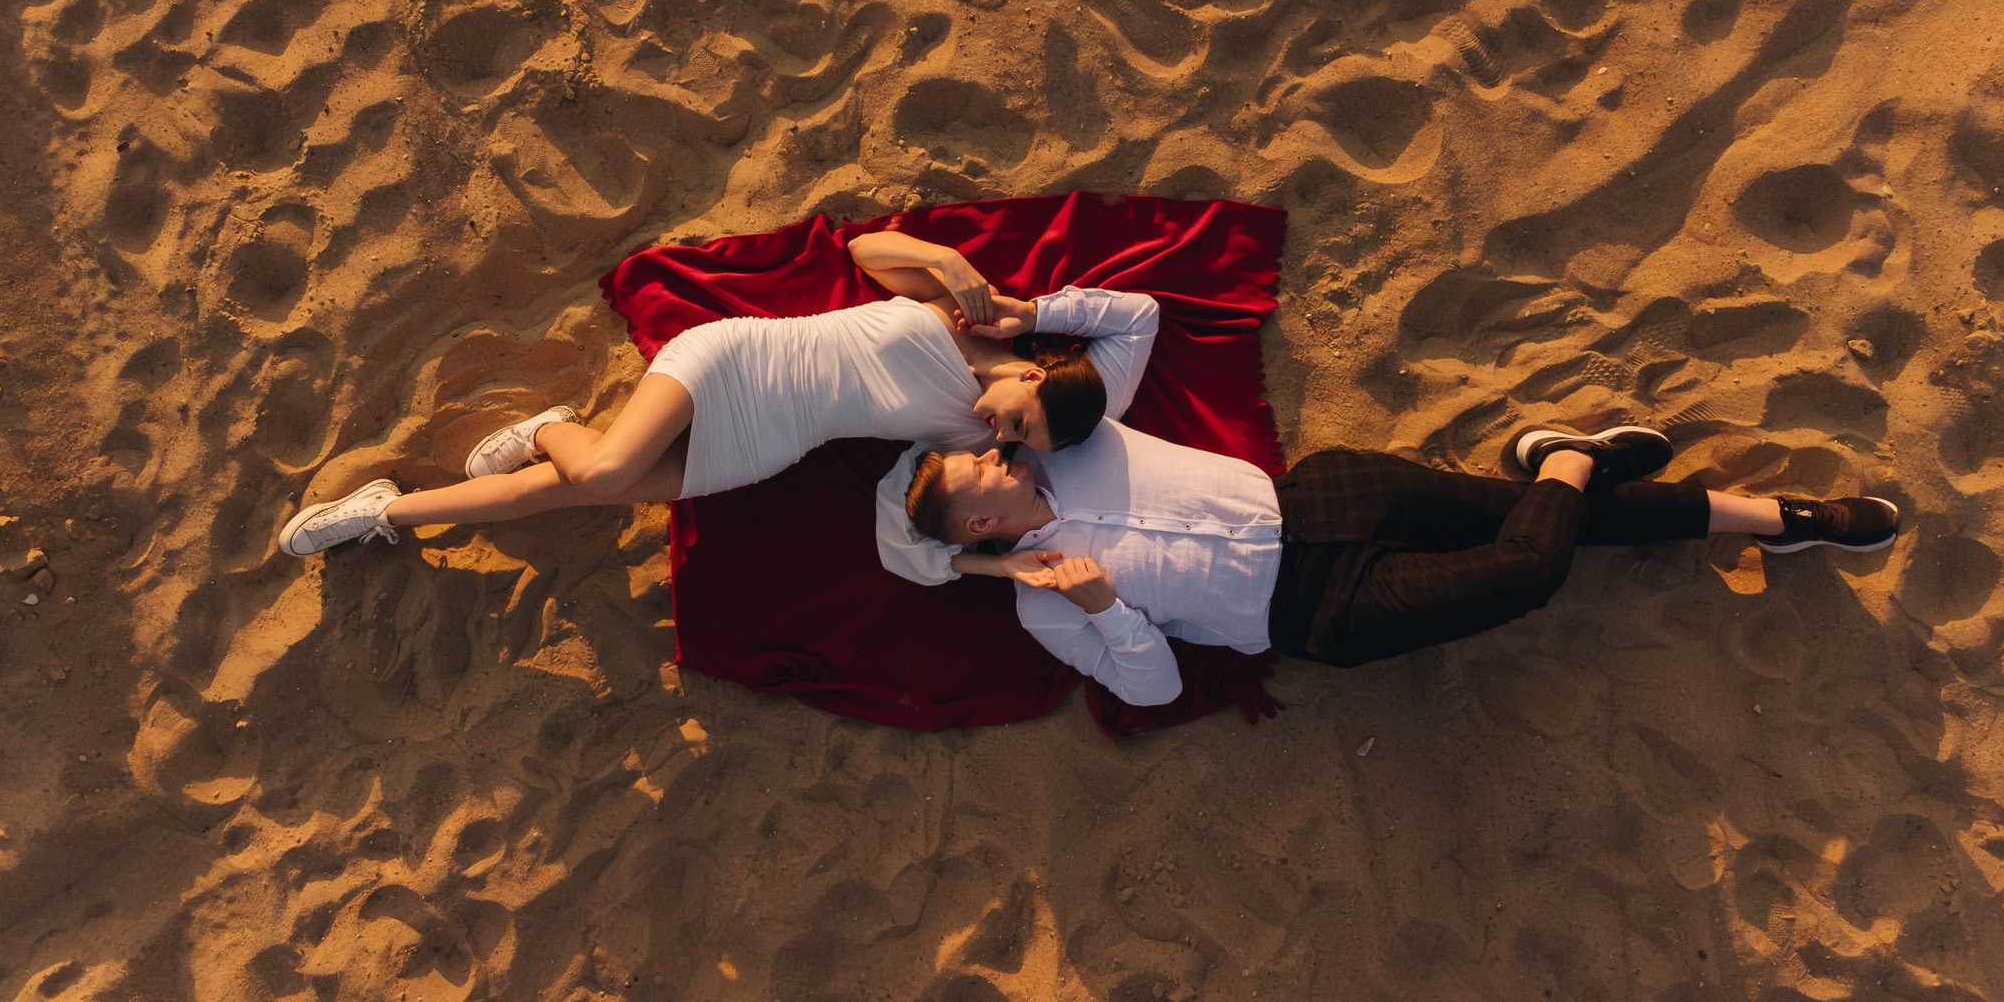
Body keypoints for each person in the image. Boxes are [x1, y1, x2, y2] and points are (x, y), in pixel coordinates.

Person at [878, 422, 1901, 706]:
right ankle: (1567, 457)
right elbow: (1150, 689)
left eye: (977, 450)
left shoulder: (1073, 438)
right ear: (980, 526)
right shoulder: (1044, 606)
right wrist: (1105, 606)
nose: (991, 453)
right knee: (1528, 564)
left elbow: (1127, 324)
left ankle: (1774, 517)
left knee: (1557, 526)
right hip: (1319, 610)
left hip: (1324, 499)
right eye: (977, 473)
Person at [278, 230, 1159, 555]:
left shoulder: (975, 447)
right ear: (1034, 374)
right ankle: (548, 429)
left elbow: (959, 530)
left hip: (772, 443)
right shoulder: (969, 315)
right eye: (1020, 423)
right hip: (742, 362)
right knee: (604, 471)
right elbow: (1139, 318)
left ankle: (385, 511)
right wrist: (956, 266)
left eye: (1018, 444)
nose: (1003, 438)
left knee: (574, 489)